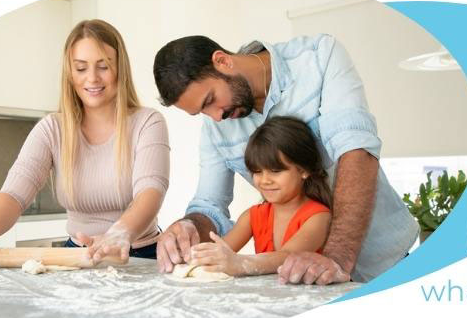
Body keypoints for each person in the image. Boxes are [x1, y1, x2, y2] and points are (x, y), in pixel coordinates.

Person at [153, 33, 418, 284]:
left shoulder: (319, 57)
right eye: (201, 112)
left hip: (384, 263)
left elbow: (356, 151)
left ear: (222, 61)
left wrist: (336, 258)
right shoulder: (216, 125)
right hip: (301, 283)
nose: (215, 117)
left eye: (211, 100)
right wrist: (187, 226)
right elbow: (209, 204)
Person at [0, 19, 170, 262]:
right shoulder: (52, 129)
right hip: (77, 255)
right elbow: (14, 193)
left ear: (120, 69)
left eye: (103, 66)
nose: (92, 78)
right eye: (81, 68)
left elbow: (150, 191)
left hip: (139, 254)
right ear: (70, 73)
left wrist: (119, 235)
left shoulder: (148, 122)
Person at [188, 116, 331, 276]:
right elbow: (224, 250)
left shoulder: (319, 217)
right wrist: (199, 256)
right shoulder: (253, 216)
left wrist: (240, 262)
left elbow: (288, 257)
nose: (264, 180)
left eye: (275, 171)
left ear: (303, 170)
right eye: (257, 171)